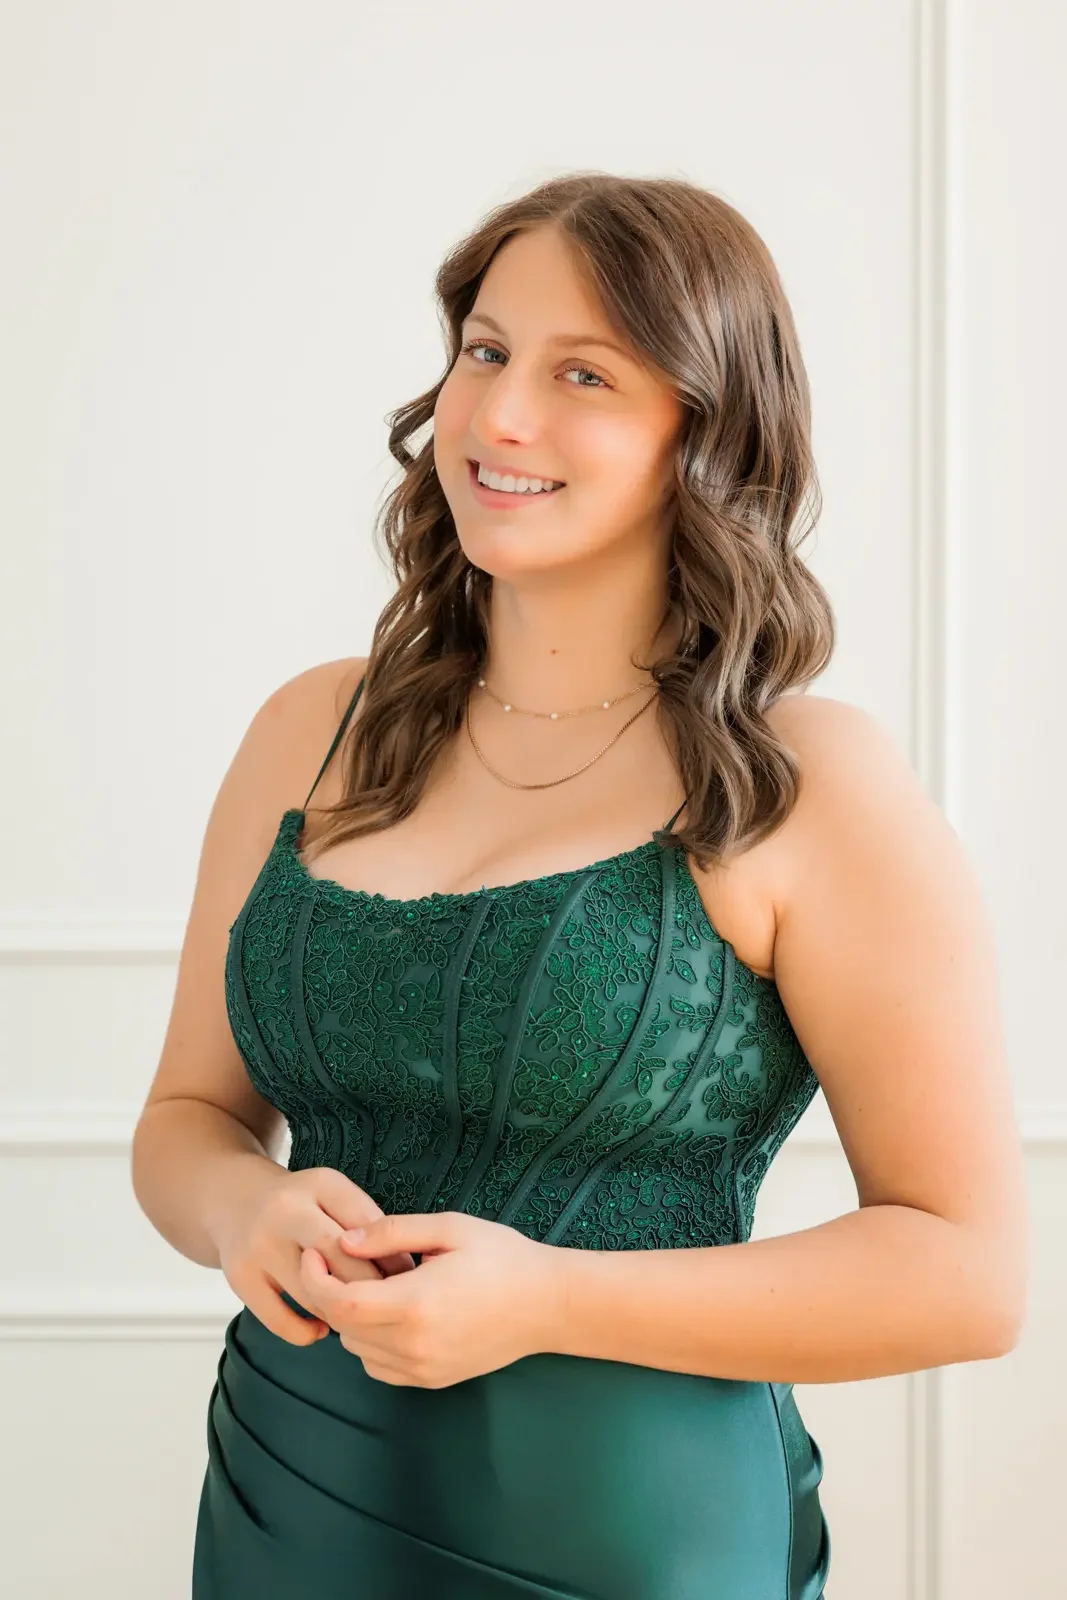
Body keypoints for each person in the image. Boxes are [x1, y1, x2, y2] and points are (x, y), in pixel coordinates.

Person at [131, 172, 1028, 1599]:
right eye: (484, 352)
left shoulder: (810, 783)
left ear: (704, 432)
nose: (498, 419)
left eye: (583, 374)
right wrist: (246, 1212)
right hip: (298, 1498)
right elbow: (186, 1122)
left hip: (636, 1532)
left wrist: (551, 1296)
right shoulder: (310, 729)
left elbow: (967, 1276)